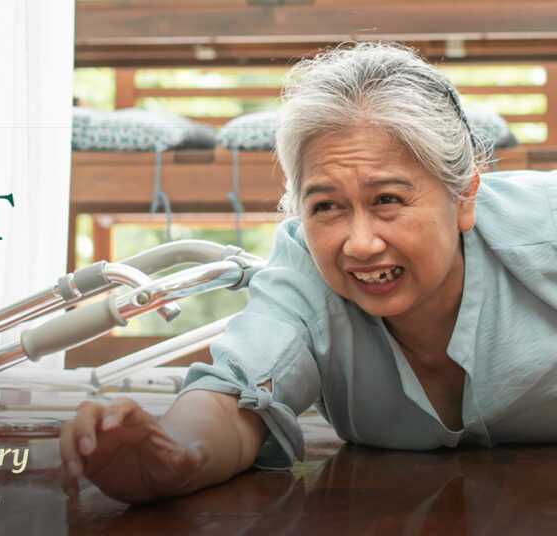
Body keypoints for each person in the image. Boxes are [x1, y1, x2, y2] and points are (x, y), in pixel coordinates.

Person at [58, 42, 557, 504]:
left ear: (464, 195)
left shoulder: (543, 227)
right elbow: (234, 397)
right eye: (326, 207)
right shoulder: (303, 272)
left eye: (388, 199)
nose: (360, 244)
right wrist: (175, 453)